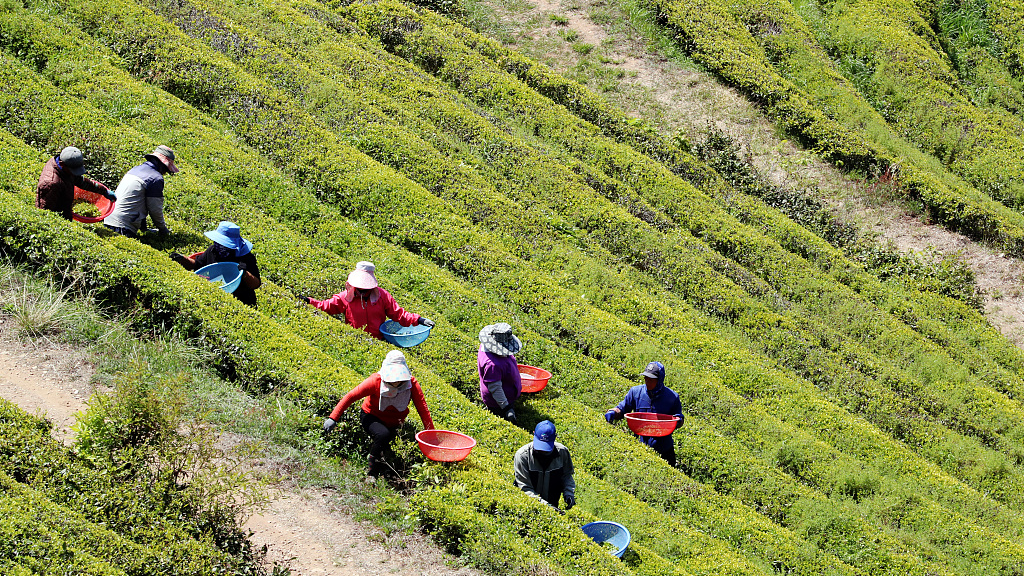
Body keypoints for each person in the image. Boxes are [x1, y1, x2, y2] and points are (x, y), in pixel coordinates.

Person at [322, 350, 434, 478]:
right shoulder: (376, 381)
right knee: (383, 435)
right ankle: (372, 473)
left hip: (395, 422)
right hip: (371, 416)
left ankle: (386, 468)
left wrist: (431, 434)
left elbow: (422, 408)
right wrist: (333, 417)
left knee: (390, 443)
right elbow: (351, 396)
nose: (396, 383)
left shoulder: (411, 384)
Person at [298, 261, 434, 339]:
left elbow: (399, 314)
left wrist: (420, 320)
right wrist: (309, 301)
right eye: (359, 288)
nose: (362, 291)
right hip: (353, 339)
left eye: (365, 289)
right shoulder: (345, 297)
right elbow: (326, 306)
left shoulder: (382, 296)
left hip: (379, 340)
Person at [604, 361, 683, 466]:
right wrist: (613, 412)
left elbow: (679, 418)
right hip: (641, 446)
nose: (647, 381)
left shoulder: (672, 397)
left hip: (664, 449)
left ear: (659, 380)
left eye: (651, 379)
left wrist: (678, 421)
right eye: (646, 378)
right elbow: (622, 409)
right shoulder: (636, 392)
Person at [169, 221, 262, 307]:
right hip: (216, 298)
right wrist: (182, 259)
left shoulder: (246, 258)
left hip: (241, 301)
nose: (218, 245)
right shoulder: (213, 250)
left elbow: (256, 284)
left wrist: (245, 274)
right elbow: (197, 264)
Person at [103, 145, 179, 237]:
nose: (165, 173)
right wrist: (163, 229)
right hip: (122, 227)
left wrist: (144, 229)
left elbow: (138, 202)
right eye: (166, 170)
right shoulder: (155, 178)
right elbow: (155, 209)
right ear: (162, 165)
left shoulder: (135, 169)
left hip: (108, 219)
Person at [36, 146, 116, 221]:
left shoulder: (65, 169)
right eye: (73, 170)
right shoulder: (50, 183)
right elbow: (45, 214)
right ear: (62, 164)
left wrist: (104, 191)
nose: (75, 173)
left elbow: (80, 181)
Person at [513, 420, 576, 512]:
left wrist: (569, 493)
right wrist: (545, 505)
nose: (543, 451)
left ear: (555, 437)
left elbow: (567, 476)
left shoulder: (562, 452)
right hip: (526, 506)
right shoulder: (522, 456)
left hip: (553, 503)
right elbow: (524, 487)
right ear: (533, 434)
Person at [478, 322, 522, 423]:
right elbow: (495, 387)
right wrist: (506, 407)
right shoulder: (492, 365)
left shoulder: (485, 346)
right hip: (498, 403)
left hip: (507, 393)